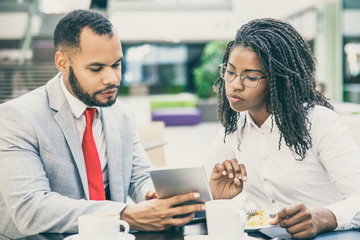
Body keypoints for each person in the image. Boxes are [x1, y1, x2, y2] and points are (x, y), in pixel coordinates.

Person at [0, 9, 204, 239]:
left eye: (116, 64)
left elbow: (139, 177)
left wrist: (153, 195)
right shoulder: (17, 117)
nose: (112, 78)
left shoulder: (121, 115)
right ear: (62, 62)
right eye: (96, 68)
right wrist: (125, 214)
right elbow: (30, 209)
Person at [205, 18, 360, 239]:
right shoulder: (233, 130)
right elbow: (202, 193)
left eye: (250, 77)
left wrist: (320, 218)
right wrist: (216, 197)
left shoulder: (319, 122)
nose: (235, 84)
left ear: (279, 80)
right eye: (230, 72)